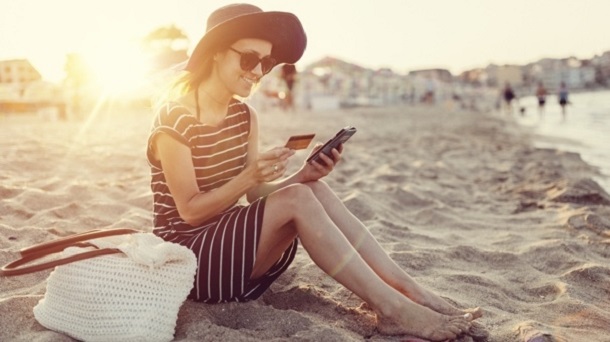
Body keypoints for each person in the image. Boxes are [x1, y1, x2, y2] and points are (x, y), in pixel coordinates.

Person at [146, 4, 481, 341]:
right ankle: (392, 309)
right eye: (249, 59)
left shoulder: (244, 116)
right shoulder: (175, 117)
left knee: (313, 191)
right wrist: (250, 177)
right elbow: (189, 211)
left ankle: (409, 291)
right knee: (297, 198)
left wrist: (303, 176)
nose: (257, 71)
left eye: (266, 63)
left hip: (232, 250)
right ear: (216, 53)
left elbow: (253, 197)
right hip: (188, 260)